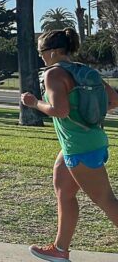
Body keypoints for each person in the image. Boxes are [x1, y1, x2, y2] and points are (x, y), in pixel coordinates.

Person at [22, 29, 118, 261]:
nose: (41, 56)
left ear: (54, 52)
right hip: (87, 140)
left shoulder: (53, 74)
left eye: (42, 52)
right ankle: (59, 250)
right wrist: (86, 113)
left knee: (105, 200)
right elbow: (114, 100)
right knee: (64, 191)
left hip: (80, 146)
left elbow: (60, 110)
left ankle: (60, 249)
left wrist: (34, 103)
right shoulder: (84, 71)